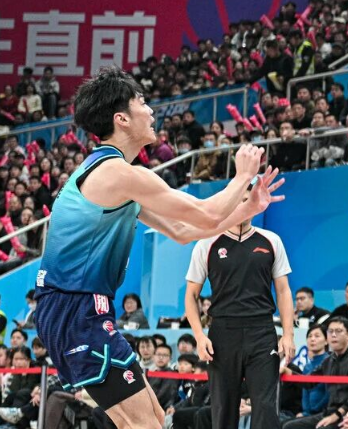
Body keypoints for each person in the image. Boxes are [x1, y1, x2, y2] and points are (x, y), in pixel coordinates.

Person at [34, 68, 285, 428]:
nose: (151, 111)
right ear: (121, 119)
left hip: (80, 308)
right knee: (143, 424)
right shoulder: (117, 173)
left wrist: (246, 209)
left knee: (152, 417)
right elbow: (207, 212)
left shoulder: (116, 176)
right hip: (75, 309)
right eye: (142, 103)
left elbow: (186, 231)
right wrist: (243, 176)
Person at [183, 182, 295, 429]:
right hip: (222, 335)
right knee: (223, 410)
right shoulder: (207, 243)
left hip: (262, 332)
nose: (244, 206)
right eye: (238, 201)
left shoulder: (271, 241)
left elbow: (283, 290)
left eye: (248, 200)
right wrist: (199, 337)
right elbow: (191, 295)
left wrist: (288, 334)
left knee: (265, 408)